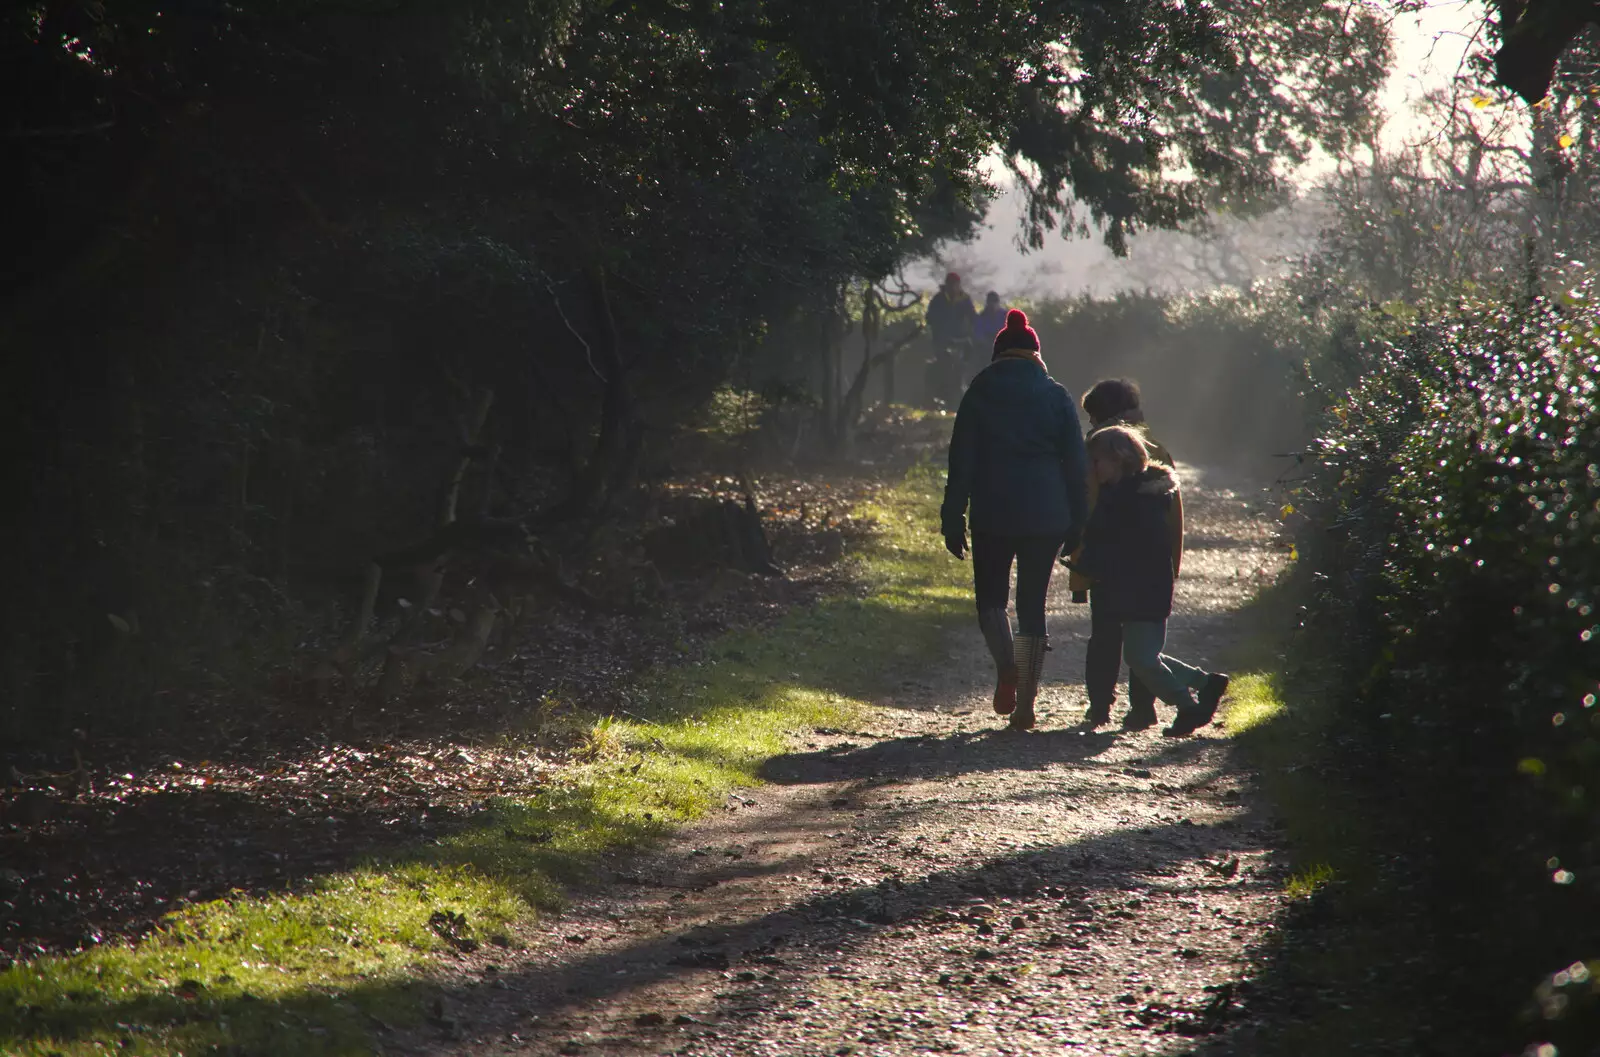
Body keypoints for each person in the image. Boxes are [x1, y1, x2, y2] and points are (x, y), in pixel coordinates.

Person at [941, 310, 1090, 731]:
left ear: (999, 353)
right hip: (1046, 514)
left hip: (992, 511)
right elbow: (1076, 464)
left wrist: (953, 516)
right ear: (1035, 354)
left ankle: (1007, 666)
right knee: (1032, 605)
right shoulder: (1055, 393)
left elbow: (961, 460)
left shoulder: (980, 390)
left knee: (991, 599)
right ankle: (1025, 703)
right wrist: (1078, 521)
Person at [1076, 425, 1228, 737]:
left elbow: (1140, 549)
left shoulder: (1141, 501)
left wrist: (1102, 564)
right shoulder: (1115, 495)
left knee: (1140, 657)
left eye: (1097, 461)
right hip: (1130, 589)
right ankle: (1205, 684)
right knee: (1142, 655)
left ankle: (1188, 706)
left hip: (1145, 590)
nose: (1092, 468)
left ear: (1118, 459)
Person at [1068, 378, 1176, 729]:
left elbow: (1085, 506)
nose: (1090, 424)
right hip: (1149, 564)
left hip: (1106, 561)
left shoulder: (1096, 448)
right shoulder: (1157, 447)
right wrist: (1173, 562)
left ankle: (1100, 706)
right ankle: (1142, 708)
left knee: (1105, 636)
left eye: (1093, 416)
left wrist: (1080, 564)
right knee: (1140, 637)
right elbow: (1175, 517)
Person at [924, 272, 976, 407]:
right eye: (951, 285)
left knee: (962, 367)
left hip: (961, 339)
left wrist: (970, 335)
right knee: (943, 366)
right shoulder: (938, 299)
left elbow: (973, 318)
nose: (953, 288)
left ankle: (960, 394)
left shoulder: (965, 299)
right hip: (942, 340)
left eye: (956, 285)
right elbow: (930, 318)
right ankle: (940, 395)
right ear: (946, 285)